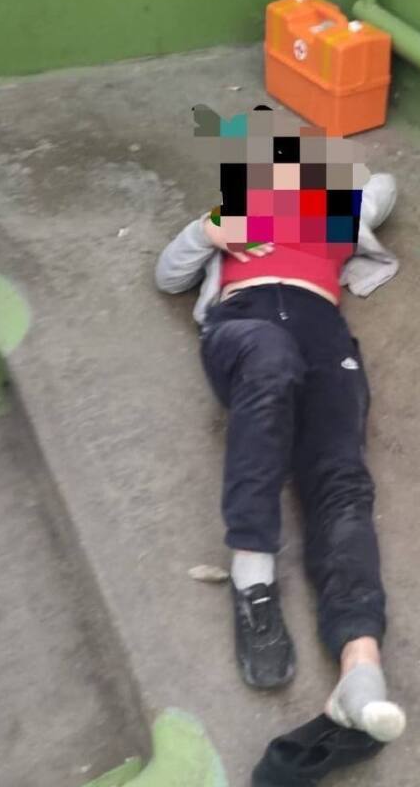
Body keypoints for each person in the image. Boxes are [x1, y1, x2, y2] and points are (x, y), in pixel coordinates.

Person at [155, 108, 405, 744]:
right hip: (247, 325)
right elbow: (168, 275)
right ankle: (253, 580)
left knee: (341, 474)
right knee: (271, 363)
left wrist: (330, 189)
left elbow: (385, 187)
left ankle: (360, 663)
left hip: (324, 332)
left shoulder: (337, 215)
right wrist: (209, 231)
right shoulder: (232, 220)